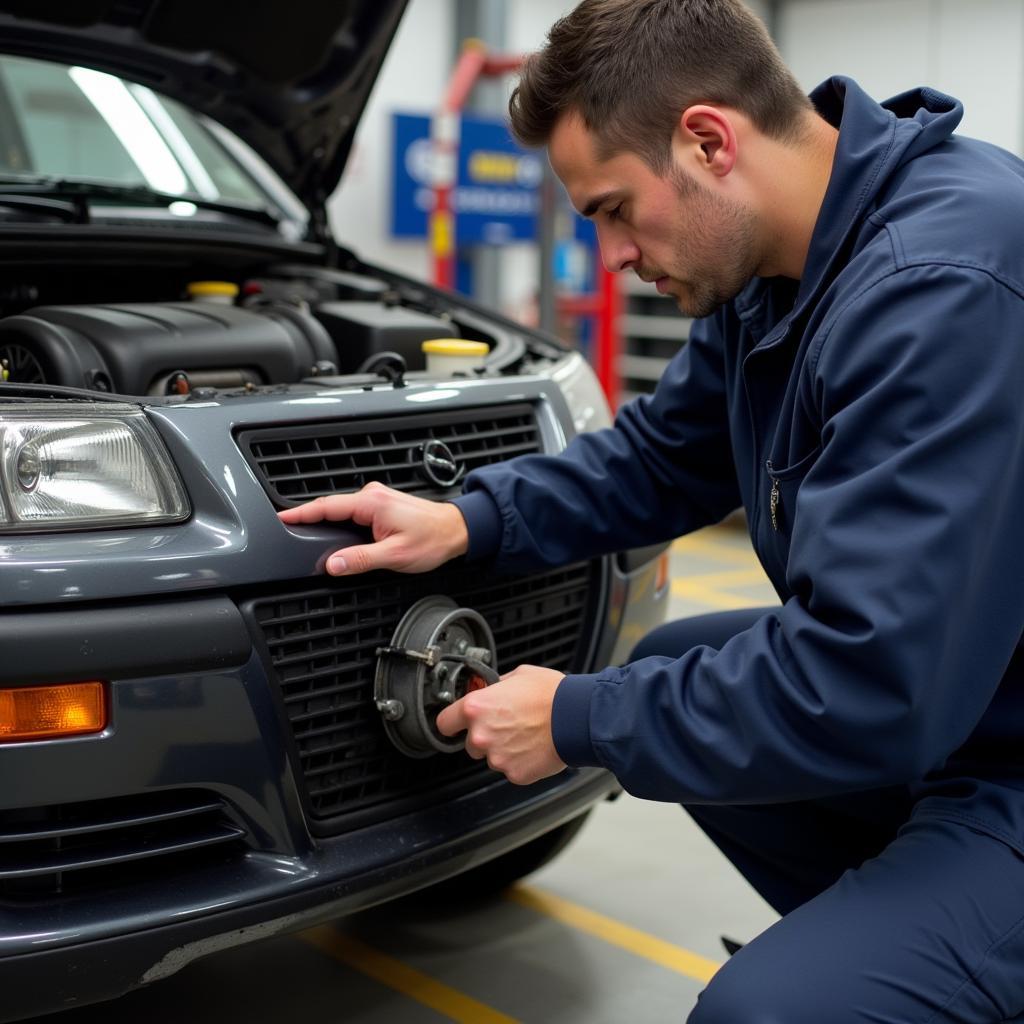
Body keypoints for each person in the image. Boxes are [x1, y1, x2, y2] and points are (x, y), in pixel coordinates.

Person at [278, 1, 1024, 1020]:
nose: (614, 254)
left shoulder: (941, 287)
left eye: (614, 211)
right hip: (971, 708)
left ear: (708, 141)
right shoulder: (780, 269)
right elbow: (662, 458)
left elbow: (869, 684)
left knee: (757, 1013)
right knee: (665, 670)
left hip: (989, 748)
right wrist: (467, 521)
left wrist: (574, 719)